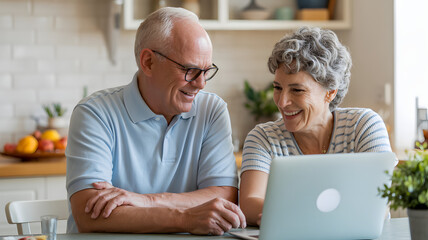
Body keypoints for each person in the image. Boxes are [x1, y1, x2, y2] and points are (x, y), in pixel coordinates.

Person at [66, 7, 246, 235]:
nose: (201, 84)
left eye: (206, 70)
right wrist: (185, 218)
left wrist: (147, 201)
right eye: (190, 70)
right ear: (148, 62)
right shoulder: (95, 113)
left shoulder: (212, 110)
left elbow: (224, 195)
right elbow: (89, 214)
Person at [239, 26, 392, 226]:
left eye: (297, 90)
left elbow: (379, 204)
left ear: (330, 93)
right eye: (278, 88)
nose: (282, 102)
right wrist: (323, 216)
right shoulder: (263, 138)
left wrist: (291, 214)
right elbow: (249, 205)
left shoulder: (364, 126)